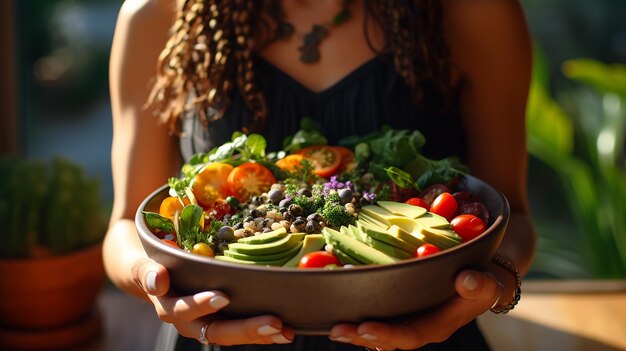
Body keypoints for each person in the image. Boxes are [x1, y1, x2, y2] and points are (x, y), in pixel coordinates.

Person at [104, 0, 536, 350]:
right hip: (223, 340)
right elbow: (125, 225)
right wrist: (152, 281)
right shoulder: (155, 16)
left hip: (422, 341)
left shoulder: (475, 11)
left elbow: (511, 216)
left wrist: (489, 287)